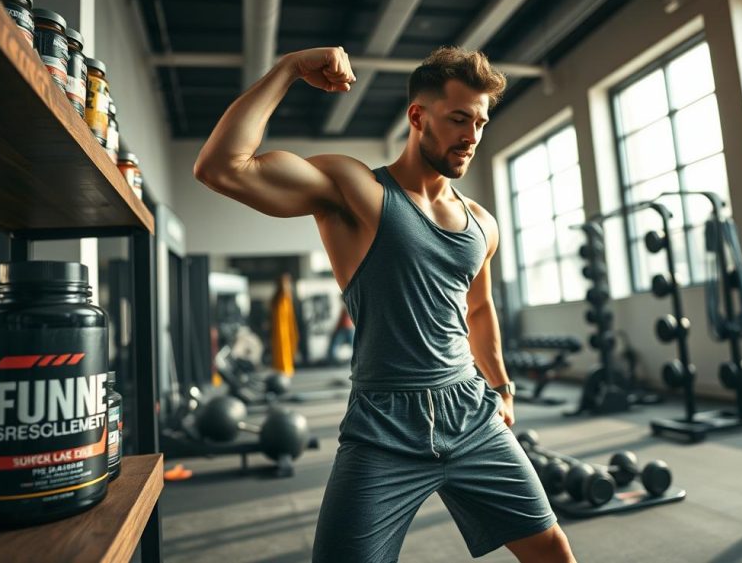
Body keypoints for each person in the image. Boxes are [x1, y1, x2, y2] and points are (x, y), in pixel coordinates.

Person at [194, 46, 574, 562]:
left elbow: (479, 310)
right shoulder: (358, 190)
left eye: (481, 123)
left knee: (552, 549)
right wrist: (288, 69)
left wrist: (502, 386)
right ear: (418, 116)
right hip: (384, 424)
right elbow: (222, 167)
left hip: (471, 414)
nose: (472, 136)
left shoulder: (482, 222)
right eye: (459, 119)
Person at [269, 272, 299, 376]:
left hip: (284, 331)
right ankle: (284, 367)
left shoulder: (282, 298)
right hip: (281, 332)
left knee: (285, 348)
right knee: (283, 349)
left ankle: (284, 367)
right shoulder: (282, 298)